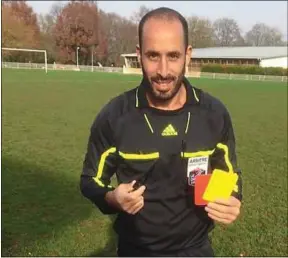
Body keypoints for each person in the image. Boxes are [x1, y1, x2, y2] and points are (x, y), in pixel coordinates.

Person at [80, 7, 242, 257]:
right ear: (139, 54)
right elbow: (90, 180)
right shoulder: (114, 117)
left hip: (196, 249)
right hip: (137, 250)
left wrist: (233, 197)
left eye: (174, 56)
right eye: (153, 56)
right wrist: (112, 198)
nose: (164, 71)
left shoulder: (214, 114)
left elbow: (228, 171)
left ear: (188, 55)